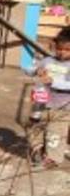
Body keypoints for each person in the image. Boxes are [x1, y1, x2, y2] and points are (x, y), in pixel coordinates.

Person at [31, 26, 70, 164]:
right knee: (37, 127)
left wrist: (53, 81)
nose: (62, 52)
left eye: (67, 49)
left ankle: (53, 158)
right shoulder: (48, 60)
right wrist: (36, 70)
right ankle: (38, 149)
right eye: (59, 48)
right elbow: (32, 69)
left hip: (63, 106)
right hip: (42, 102)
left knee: (56, 132)